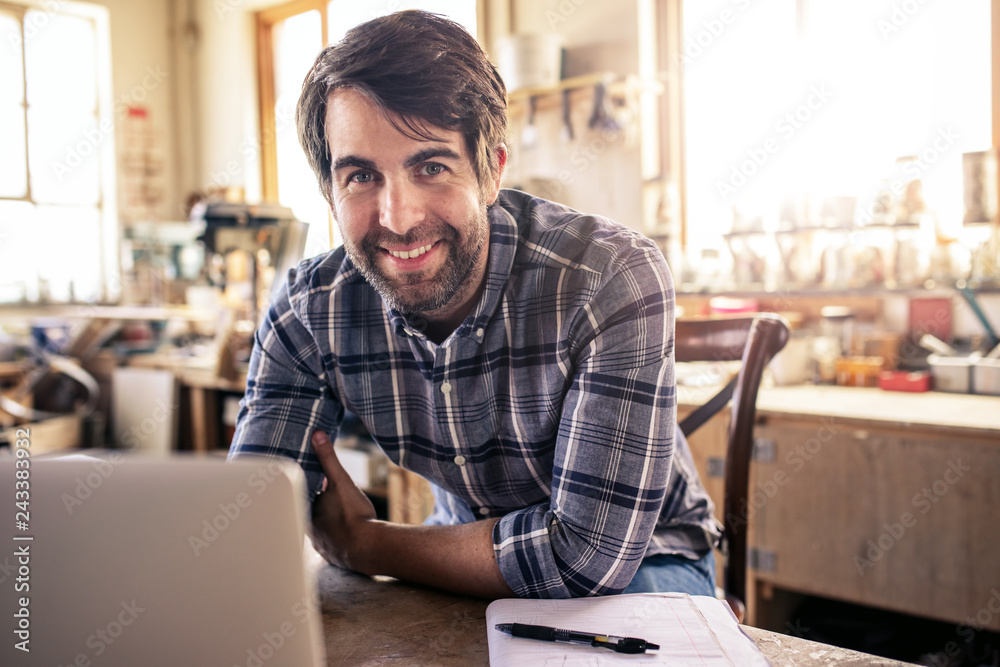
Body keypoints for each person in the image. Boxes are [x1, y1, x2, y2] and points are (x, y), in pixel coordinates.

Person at [229, 9, 720, 600]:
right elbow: (249, 528)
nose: (399, 218)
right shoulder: (310, 309)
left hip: (645, 559)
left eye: (431, 166)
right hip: (455, 548)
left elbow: (586, 559)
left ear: (492, 173)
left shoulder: (610, 275)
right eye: (361, 176)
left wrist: (368, 544)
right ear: (330, 193)